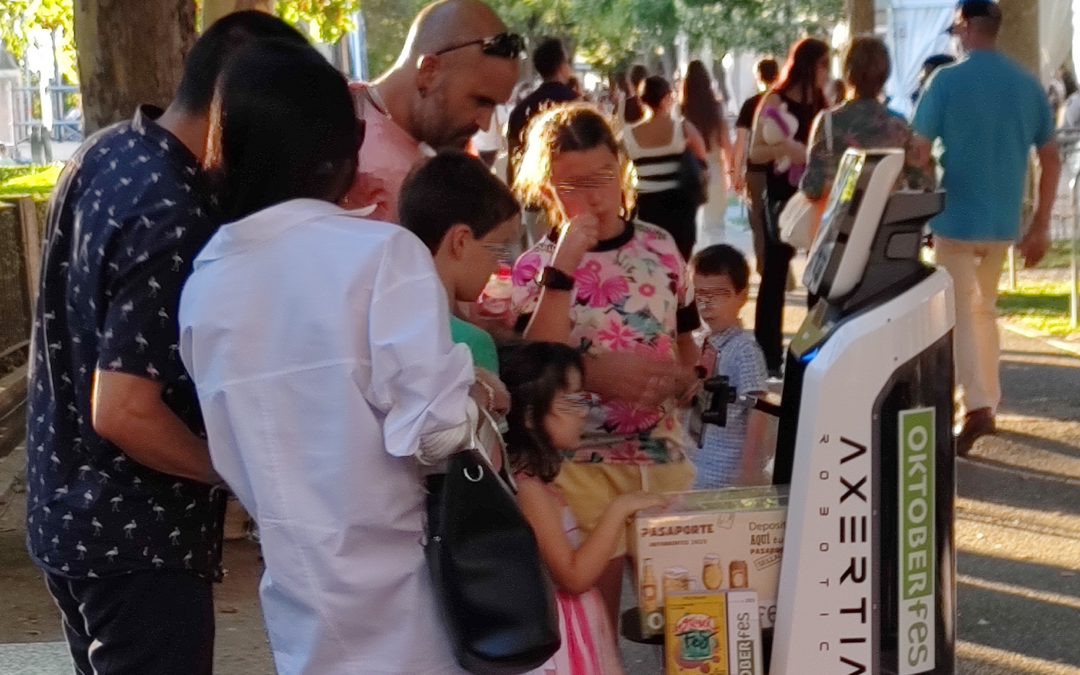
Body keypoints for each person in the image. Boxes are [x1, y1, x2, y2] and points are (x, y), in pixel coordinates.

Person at [179, 39, 489, 675]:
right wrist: (479, 393)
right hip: (406, 598)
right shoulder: (381, 256)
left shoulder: (204, 284)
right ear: (337, 146)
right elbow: (437, 433)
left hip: (299, 603)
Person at [23, 13, 307, 675]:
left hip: (67, 516)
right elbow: (124, 408)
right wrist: (228, 471)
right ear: (232, 105)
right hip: (135, 542)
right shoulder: (174, 212)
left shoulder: (109, 149)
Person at [511, 102, 700, 627]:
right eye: (572, 185)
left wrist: (687, 378)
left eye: (603, 176)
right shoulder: (534, 269)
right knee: (596, 629)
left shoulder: (661, 247)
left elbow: (686, 338)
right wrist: (565, 266)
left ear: (622, 170)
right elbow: (534, 363)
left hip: (661, 457)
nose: (593, 196)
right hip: (581, 468)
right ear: (546, 188)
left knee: (691, 628)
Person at [911, 0, 1061, 455]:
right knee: (984, 309)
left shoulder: (945, 81)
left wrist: (919, 197)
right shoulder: (1026, 84)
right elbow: (1050, 158)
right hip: (1002, 219)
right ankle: (985, 401)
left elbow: (918, 150)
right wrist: (1040, 224)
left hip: (954, 215)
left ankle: (974, 406)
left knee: (957, 313)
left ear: (963, 25)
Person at [501, 341, 664, 675]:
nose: (583, 412)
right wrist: (619, 509)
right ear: (531, 416)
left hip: (571, 628)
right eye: (572, 401)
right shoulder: (530, 491)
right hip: (562, 638)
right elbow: (573, 576)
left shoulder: (536, 483)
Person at [341, 0, 522, 222]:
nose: (485, 124)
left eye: (494, 106)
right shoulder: (327, 131)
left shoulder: (431, 170)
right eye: (480, 101)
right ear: (429, 71)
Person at [748, 38, 830, 374]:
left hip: (816, 198)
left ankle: (812, 350)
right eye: (824, 64)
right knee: (775, 274)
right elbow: (754, 152)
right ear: (810, 66)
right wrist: (787, 150)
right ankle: (768, 356)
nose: (828, 72)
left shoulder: (824, 102)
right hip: (782, 197)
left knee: (818, 275)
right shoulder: (775, 100)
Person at [398, 150, 521, 373]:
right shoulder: (471, 344)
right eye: (497, 247)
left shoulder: (386, 321)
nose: (498, 266)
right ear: (461, 241)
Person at [802, 38, 936, 214]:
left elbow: (812, 187)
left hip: (841, 230)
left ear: (847, 72)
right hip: (887, 228)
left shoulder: (828, 122)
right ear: (885, 73)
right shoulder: (899, 126)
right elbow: (921, 185)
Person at [688, 245, 770, 489]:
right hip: (694, 466)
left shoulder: (744, 349)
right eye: (701, 295)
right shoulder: (697, 341)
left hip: (725, 472)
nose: (707, 305)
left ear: (741, 296)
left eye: (719, 295)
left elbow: (758, 408)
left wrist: (748, 467)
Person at [624, 75, 709, 259]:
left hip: (646, 205)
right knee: (679, 259)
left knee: (651, 261)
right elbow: (702, 157)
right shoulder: (682, 128)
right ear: (666, 97)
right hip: (680, 204)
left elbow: (618, 170)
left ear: (641, 100)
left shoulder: (628, 134)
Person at [507, 37, 579, 185]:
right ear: (561, 66)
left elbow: (513, 160)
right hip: (570, 190)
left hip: (532, 190)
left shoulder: (521, 110)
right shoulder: (578, 106)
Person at [733, 57, 779, 273]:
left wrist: (735, 171)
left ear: (758, 77)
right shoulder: (783, 102)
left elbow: (741, 142)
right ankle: (782, 270)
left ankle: (764, 268)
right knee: (780, 220)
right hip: (782, 169)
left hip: (756, 170)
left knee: (759, 222)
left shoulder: (751, 104)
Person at [682, 59, 734, 245]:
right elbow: (726, 142)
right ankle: (717, 264)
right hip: (715, 168)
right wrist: (732, 172)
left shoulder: (681, 111)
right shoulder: (716, 108)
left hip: (689, 169)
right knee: (716, 225)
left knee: (690, 222)